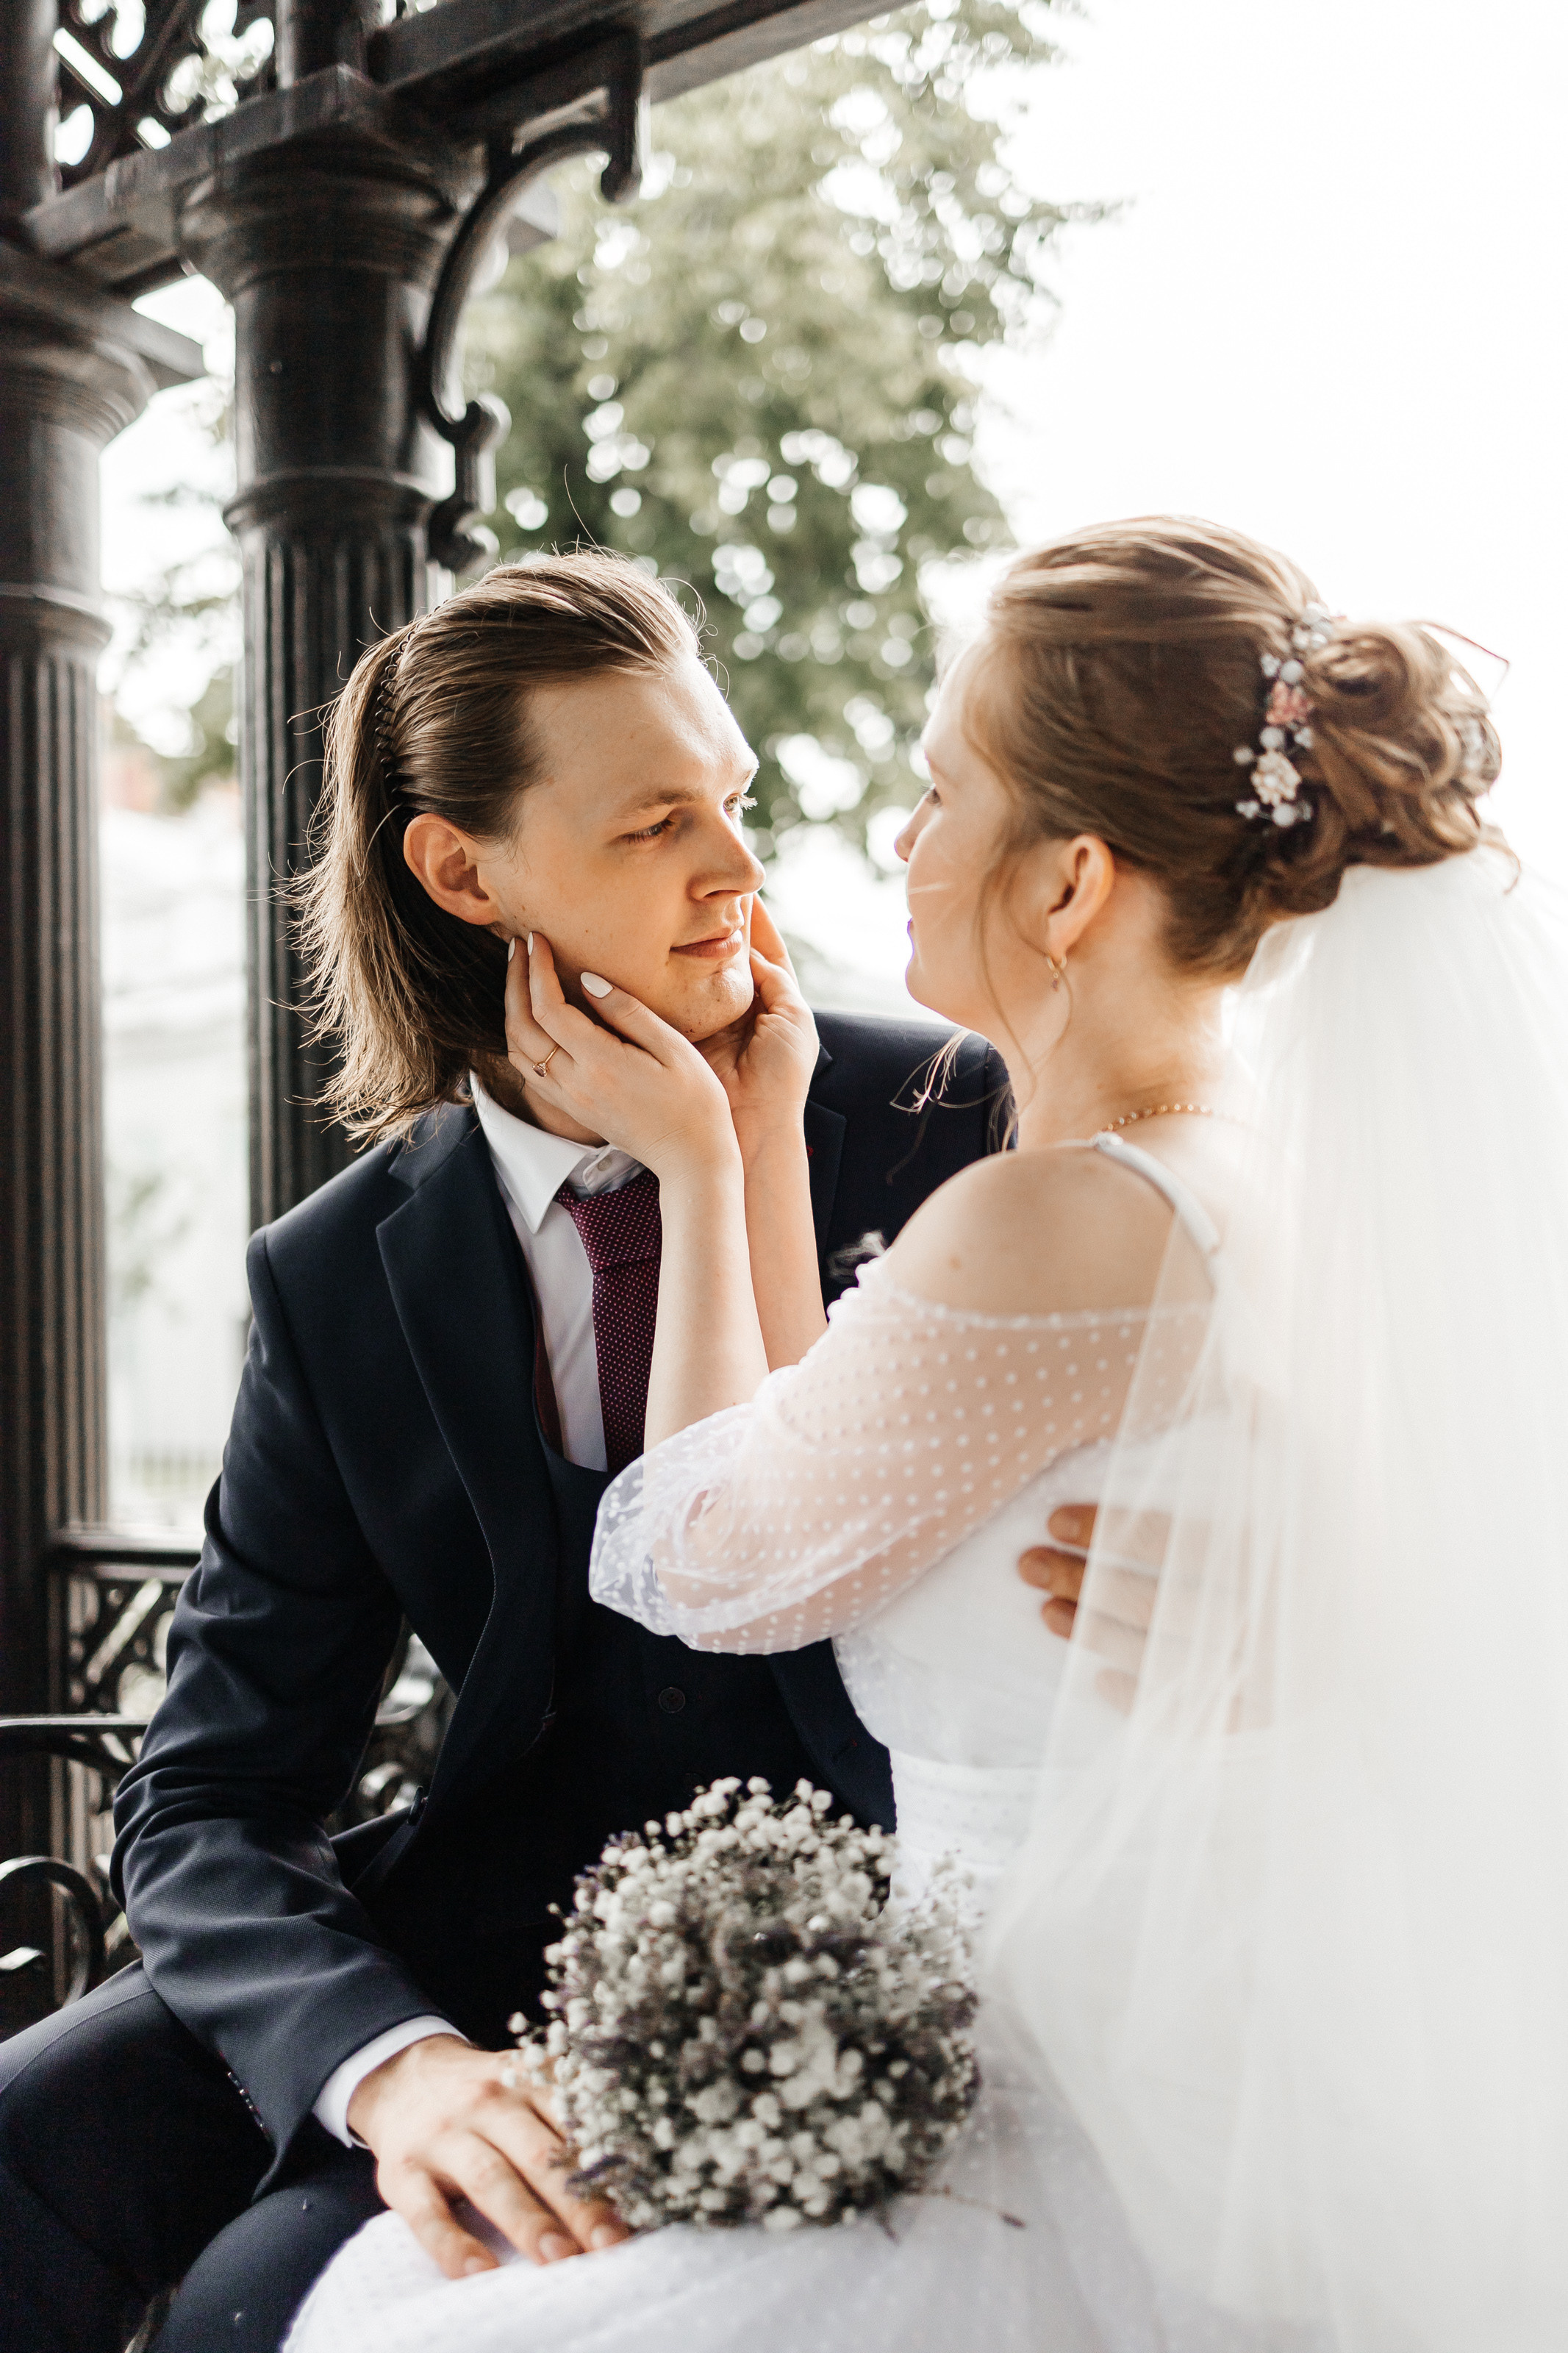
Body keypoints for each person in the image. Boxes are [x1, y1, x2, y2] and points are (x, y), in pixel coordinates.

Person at [290, 515, 1567, 2353]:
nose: (889, 843)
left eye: (935, 788)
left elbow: (705, 1561)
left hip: (1055, 2122)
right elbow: (831, 1480)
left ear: (1064, 889)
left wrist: (699, 1169)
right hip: (1164, 2076)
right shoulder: (1259, 1180)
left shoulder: (1051, 1214)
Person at [0, 554, 1088, 2353]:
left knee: (264, 2314)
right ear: (462, 869)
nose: (736, 868)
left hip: (887, 1965)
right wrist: (393, 2066)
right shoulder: (340, 1271)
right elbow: (207, 1794)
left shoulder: (946, 1117)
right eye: (657, 822)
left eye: (728, 800)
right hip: (470, 1950)